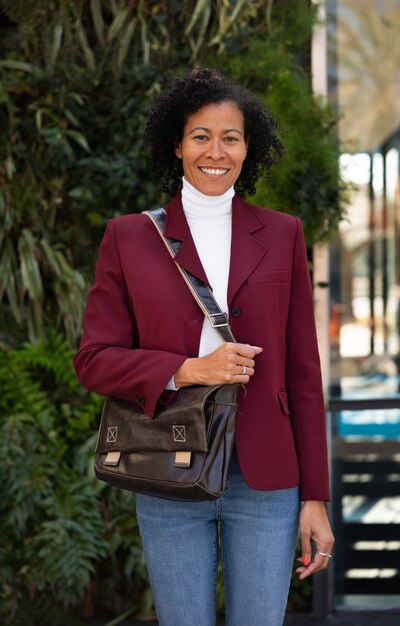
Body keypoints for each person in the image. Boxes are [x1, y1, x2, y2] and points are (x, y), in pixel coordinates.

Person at [74, 68, 334, 626]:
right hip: (169, 466)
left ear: (248, 148)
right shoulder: (130, 237)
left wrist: (316, 497)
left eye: (231, 138)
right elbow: (93, 360)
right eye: (201, 136)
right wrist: (188, 369)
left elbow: (303, 373)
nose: (215, 151)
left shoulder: (284, 232)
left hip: (268, 477)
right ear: (178, 143)